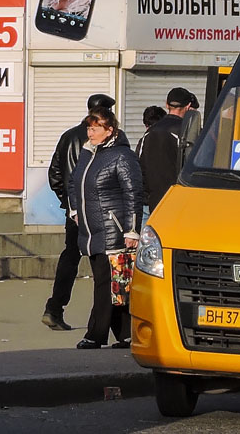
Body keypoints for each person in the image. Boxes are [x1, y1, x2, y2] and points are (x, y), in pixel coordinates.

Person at [42, 93, 122, 331]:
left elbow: (55, 174)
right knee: (103, 264)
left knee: (70, 257)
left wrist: (67, 202)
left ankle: (54, 308)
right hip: (100, 211)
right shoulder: (107, 139)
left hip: (74, 211)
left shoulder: (67, 137)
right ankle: (105, 321)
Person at [67, 107, 142, 349]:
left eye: (96, 127)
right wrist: (75, 210)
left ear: (110, 130)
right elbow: (74, 183)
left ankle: (95, 335)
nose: (91, 132)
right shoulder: (88, 154)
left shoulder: (122, 156)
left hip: (113, 232)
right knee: (115, 285)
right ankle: (126, 334)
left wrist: (131, 230)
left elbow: (133, 193)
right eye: (89, 127)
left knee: (105, 284)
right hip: (91, 231)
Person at [140, 86, 194, 211]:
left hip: (153, 202)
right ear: (188, 106)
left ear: (166, 104)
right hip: (179, 201)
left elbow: (141, 167)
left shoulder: (149, 132)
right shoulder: (187, 133)